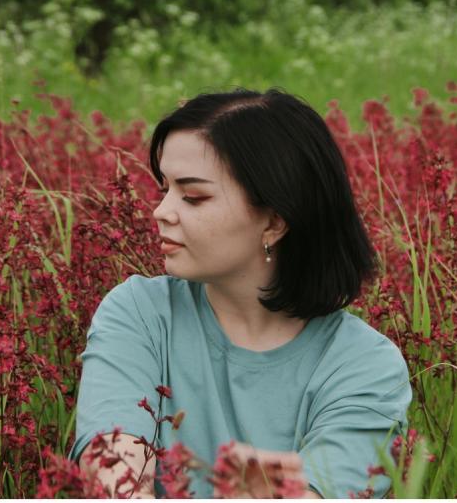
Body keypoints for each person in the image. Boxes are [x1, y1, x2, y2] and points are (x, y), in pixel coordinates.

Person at [69, 88, 412, 498]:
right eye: (165, 189)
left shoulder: (364, 367)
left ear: (274, 222)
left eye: (193, 196)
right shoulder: (140, 314)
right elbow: (115, 480)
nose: (161, 211)